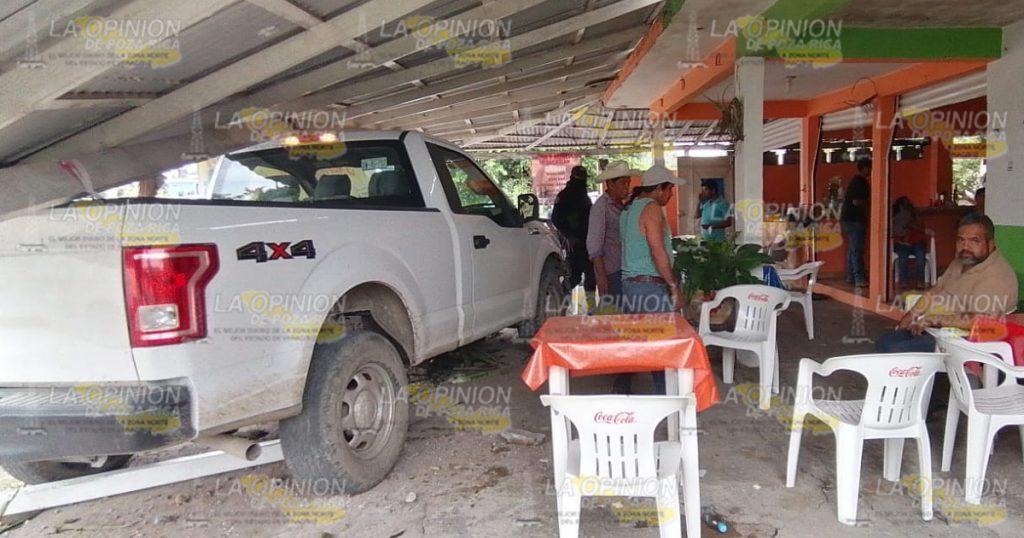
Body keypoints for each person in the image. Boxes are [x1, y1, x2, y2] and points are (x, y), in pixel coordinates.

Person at [876, 212, 1019, 353]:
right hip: (941, 328)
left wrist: (932, 319)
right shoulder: (963, 260)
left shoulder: (996, 276)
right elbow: (937, 289)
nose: (966, 247)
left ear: (990, 243)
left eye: (974, 241)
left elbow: (980, 321)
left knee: (894, 349)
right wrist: (910, 316)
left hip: (967, 340)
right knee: (884, 342)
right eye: (961, 240)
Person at [615, 165, 687, 394]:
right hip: (649, 287)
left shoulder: (627, 211)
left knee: (639, 343)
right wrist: (674, 286)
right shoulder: (652, 209)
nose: (671, 195)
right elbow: (658, 252)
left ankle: (629, 393)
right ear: (658, 189)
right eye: (669, 189)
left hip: (630, 286)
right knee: (662, 347)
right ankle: (668, 400)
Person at [586, 160, 635, 312]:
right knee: (615, 316)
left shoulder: (623, 205)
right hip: (611, 272)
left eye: (628, 182)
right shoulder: (601, 207)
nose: (627, 186)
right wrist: (601, 277)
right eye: (622, 183)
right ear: (610, 184)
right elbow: (594, 246)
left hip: (626, 270)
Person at [551, 165, 595, 295]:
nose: (581, 182)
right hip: (575, 243)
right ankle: (561, 301)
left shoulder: (583, 196)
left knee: (591, 276)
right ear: (572, 178)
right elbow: (556, 219)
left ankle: (591, 307)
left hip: (587, 241)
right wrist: (568, 236)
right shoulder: (565, 196)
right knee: (574, 276)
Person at [841, 157, 871, 288]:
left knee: (853, 249)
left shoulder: (855, 182)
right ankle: (859, 278)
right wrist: (870, 203)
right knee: (857, 250)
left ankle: (851, 276)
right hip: (855, 219)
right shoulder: (860, 183)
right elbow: (856, 201)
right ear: (864, 168)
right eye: (870, 167)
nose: (871, 170)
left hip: (848, 219)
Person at [891, 197, 929, 290]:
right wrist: (902, 241)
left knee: (921, 257)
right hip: (902, 243)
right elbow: (894, 233)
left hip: (916, 241)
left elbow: (921, 228)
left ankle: (920, 280)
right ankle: (903, 281)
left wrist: (913, 222)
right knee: (902, 258)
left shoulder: (915, 216)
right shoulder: (894, 218)